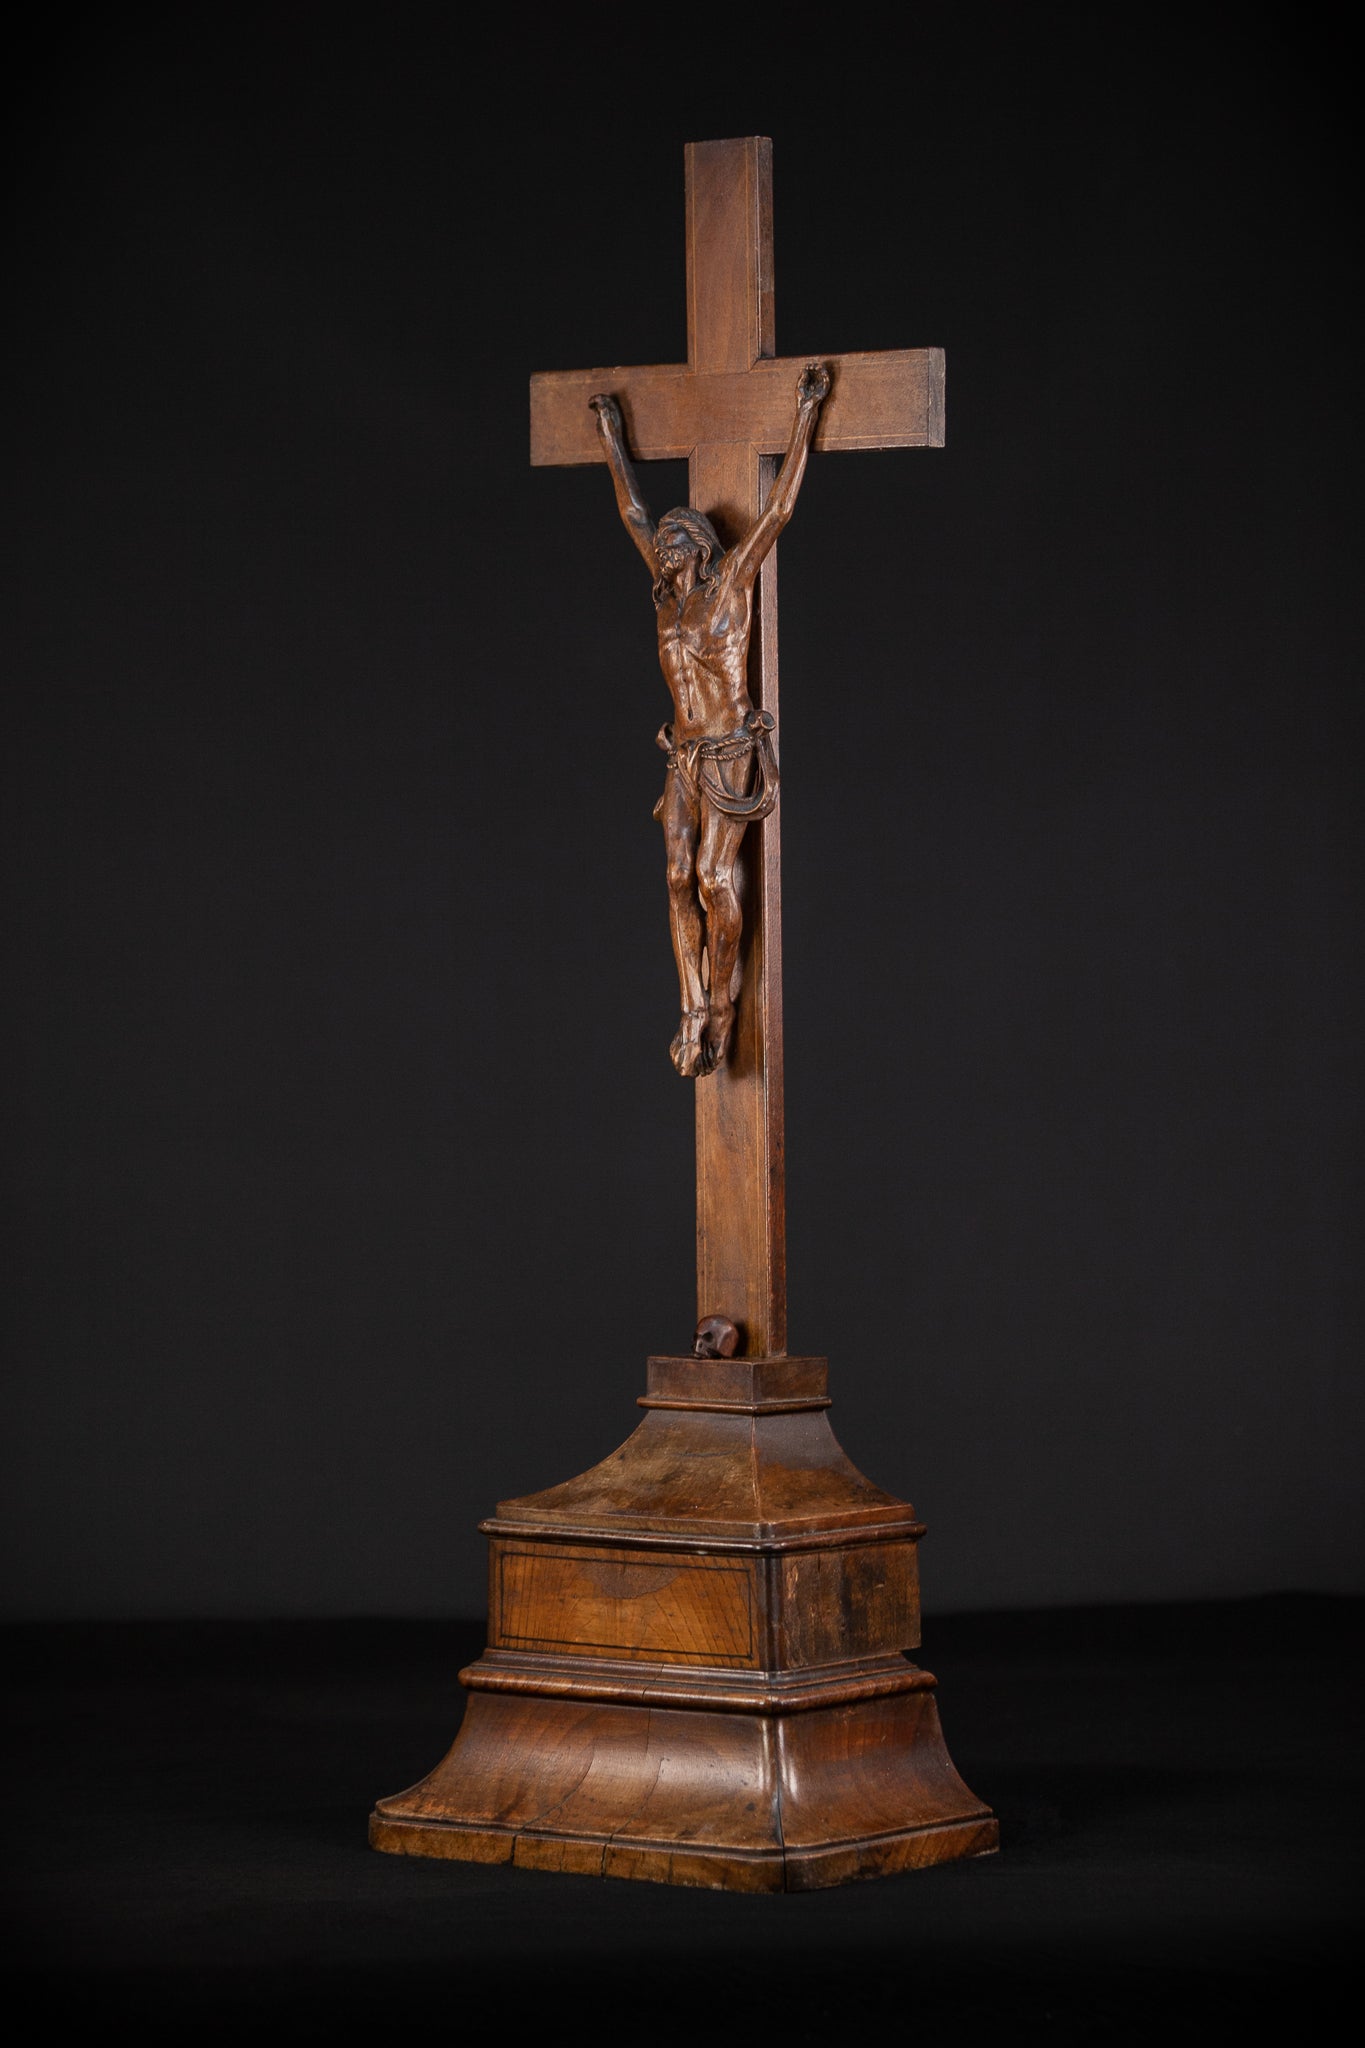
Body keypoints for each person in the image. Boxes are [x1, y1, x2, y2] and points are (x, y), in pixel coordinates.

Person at [589, 361, 831, 1076]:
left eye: (673, 542)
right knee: (674, 877)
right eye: (660, 546)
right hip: (684, 757)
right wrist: (610, 437)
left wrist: (805, 415)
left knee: (712, 878)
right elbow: (632, 514)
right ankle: (691, 1005)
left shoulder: (728, 587)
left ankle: (721, 1003)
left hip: (728, 750)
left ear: (697, 547)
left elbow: (777, 513)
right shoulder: (666, 599)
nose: (661, 550)